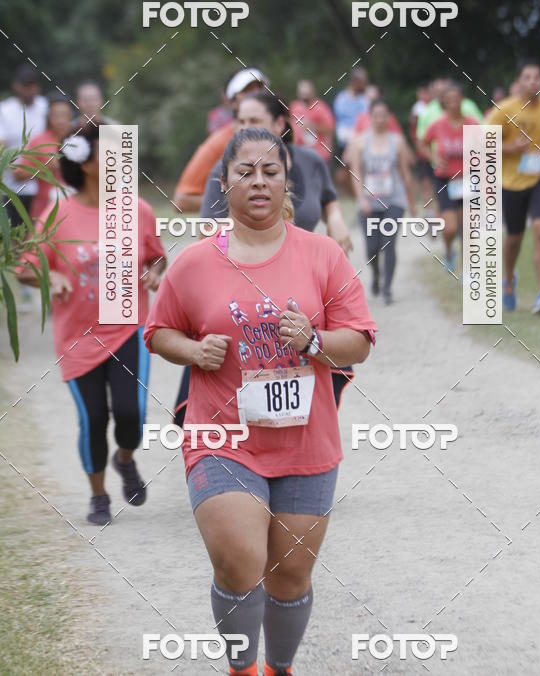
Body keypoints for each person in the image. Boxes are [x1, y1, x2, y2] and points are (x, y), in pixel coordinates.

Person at [145, 126, 376, 676]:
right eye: (245, 171)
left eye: (270, 171)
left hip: (305, 443)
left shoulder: (321, 255)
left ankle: (279, 668)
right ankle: (242, 668)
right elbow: (158, 331)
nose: (258, 181)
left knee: (290, 577)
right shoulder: (196, 262)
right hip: (221, 438)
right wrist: (194, 350)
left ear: (286, 180)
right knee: (240, 561)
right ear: (224, 182)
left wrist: (315, 341)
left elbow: (361, 340)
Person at [171, 90, 354, 427]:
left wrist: (337, 221)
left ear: (279, 123)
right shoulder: (226, 169)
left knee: (308, 406)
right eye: (239, 121)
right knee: (213, 407)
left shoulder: (310, 161)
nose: (243, 128)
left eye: (253, 121)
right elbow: (208, 233)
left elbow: (328, 197)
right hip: (238, 294)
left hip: (302, 297)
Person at [17, 124, 167, 525]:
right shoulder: (56, 214)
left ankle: (125, 459)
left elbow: (155, 256)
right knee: (94, 417)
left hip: (127, 325)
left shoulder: (139, 210)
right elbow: (25, 269)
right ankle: (99, 495)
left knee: (130, 414)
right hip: (78, 338)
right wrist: (54, 278)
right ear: (85, 163)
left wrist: (153, 273)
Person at [488, 62, 540, 314]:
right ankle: (509, 279)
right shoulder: (504, 109)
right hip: (512, 182)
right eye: (527, 77)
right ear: (519, 82)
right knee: (514, 238)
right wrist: (512, 148)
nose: (533, 81)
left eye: (537, 76)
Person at [347, 97, 416, 304]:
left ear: (388, 118)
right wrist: (361, 199)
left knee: (388, 244)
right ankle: (376, 276)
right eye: (375, 115)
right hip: (369, 201)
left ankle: (387, 288)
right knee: (372, 248)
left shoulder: (398, 141)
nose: (379, 119)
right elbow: (356, 172)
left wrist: (410, 202)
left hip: (394, 200)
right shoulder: (359, 142)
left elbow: (405, 173)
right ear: (370, 117)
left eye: (383, 116)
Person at [174, 68, 269, 211]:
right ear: (232, 102)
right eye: (247, 90)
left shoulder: (280, 138)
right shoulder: (218, 143)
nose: (256, 94)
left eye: (260, 89)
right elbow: (181, 201)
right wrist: (239, 201)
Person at [418, 82, 480, 272]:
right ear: (444, 103)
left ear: (462, 100)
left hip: (468, 180)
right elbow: (422, 144)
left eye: (457, 99)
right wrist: (434, 157)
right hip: (444, 179)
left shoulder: (472, 123)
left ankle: (468, 269)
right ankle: (448, 250)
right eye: (449, 100)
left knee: (468, 227)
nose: (453, 103)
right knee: (450, 227)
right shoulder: (438, 125)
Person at [0, 64, 48, 226]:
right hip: (12, 187)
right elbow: (2, 147)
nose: (29, 90)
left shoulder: (44, 106)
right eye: (25, 85)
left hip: (41, 188)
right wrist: (18, 171)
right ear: (16, 86)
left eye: (32, 85)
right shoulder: (5, 110)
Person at [15, 92, 74, 220]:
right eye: (56, 115)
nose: (60, 120)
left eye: (64, 115)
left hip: (75, 210)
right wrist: (44, 168)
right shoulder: (39, 141)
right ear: (48, 117)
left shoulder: (80, 138)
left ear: (70, 116)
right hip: (44, 210)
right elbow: (19, 174)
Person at [289, 79, 335, 162]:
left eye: (307, 94)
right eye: (302, 93)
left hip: (317, 153)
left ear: (312, 93)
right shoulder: (294, 106)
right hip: (297, 152)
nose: (304, 96)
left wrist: (312, 126)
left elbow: (329, 128)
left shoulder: (321, 107)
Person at [409, 84, 436, 214]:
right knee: (426, 185)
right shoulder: (417, 108)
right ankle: (430, 215)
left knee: (437, 187)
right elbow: (415, 134)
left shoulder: (436, 109)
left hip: (436, 153)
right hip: (423, 155)